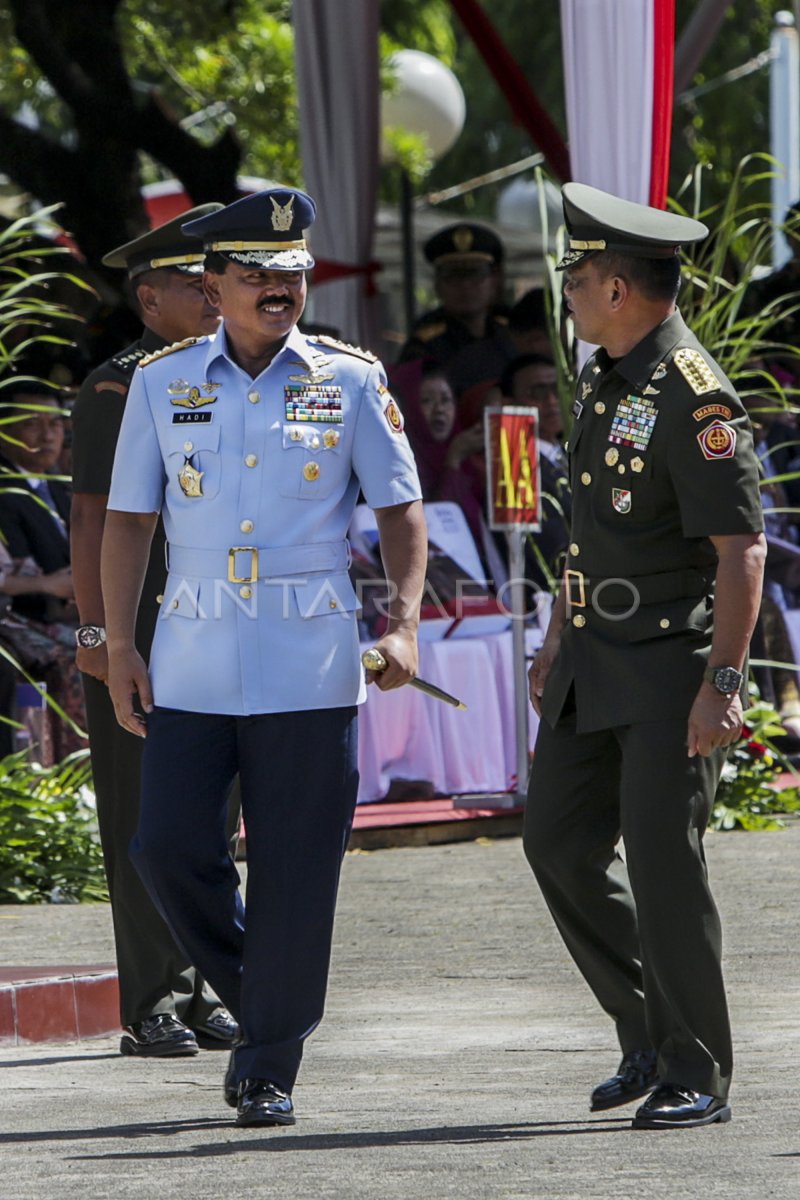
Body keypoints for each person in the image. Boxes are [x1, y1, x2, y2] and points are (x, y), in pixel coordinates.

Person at [101, 187, 426, 1128]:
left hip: (306, 649)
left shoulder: (351, 378)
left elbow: (401, 510)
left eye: (292, 273)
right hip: (193, 646)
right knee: (164, 846)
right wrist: (119, 640)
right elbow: (129, 519)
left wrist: (402, 623)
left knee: (296, 866)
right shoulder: (163, 383)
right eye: (256, 276)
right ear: (213, 285)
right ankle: (272, 1004)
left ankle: (267, 1063)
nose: (279, 288)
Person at [524, 183, 765, 1130]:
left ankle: (698, 1067)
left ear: (618, 286)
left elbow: (739, 552)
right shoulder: (606, 374)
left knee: (665, 867)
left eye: (576, 279)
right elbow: (585, 531)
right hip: (594, 657)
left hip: (671, 667)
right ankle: (646, 1030)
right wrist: (554, 636)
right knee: (557, 845)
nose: (569, 295)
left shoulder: (696, 396)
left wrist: (724, 684)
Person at [70, 206, 241, 1059]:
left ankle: (210, 984)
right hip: (141, 623)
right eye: (189, 283)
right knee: (144, 813)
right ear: (148, 299)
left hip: (214, 622)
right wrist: (97, 634)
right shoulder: (119, 384)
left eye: (214, 280)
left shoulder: (230, 373)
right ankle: (154, 999)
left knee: (214, 815)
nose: (211, 295)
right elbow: (92, 519)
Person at [397, 223, 513, 383]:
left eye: (475, 274)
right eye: (453, 276)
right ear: (437, 285)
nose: (465, 285)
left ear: (494, 280)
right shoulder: (424, 345)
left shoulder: (512, 331)